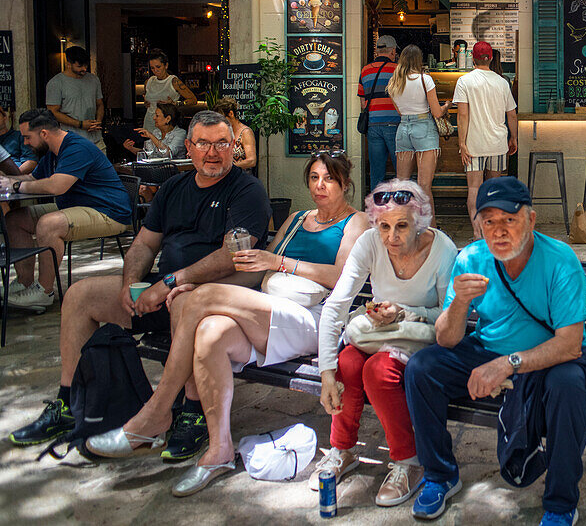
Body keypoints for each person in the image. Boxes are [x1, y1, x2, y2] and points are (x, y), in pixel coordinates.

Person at [86, 152, 367, 497]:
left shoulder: (357, 223)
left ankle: (157, 413)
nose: (320, 186)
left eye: (330, 179)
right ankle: (218, 450)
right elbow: (257, 272)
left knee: (194, 298)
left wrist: (278, 262)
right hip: (270, 307)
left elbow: (340, 277)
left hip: (314, 318)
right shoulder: (296, 218)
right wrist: (219, 291)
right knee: (210, 332)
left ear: (345, 183)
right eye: (314, 178)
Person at [6, 111, 270, 460]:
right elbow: (145, 244)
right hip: (161, 289)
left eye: (222, 143)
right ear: (188, 148)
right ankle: (69, 402)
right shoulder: (174, 187)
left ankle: (192, 413)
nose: (212, 152)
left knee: (182, 298)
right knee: (80, 294)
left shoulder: (247, 189)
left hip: (213, 296)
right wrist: (131, 284)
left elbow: (231, 255)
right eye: (203, 143)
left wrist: (171, 282)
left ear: (234, 147)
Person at [404, 177, 586, 524]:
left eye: (510, 219)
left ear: (531, 220)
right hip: (489, 350)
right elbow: (446, 339)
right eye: (489, 221)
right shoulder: (472, 258)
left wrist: (507, 365)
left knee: (569, 387)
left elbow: (569, 345)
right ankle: (440, 475)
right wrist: (460, 302)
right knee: (422, 368)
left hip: (549, 358)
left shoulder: (559, 259)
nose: (499, 230)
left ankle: (561, 503)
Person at [313, 179, 458, 506]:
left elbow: (447, 317)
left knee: (379, 370)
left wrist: (404, 312)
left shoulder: (443, 250)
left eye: (402, 226)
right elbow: (337, 305)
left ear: (420, 222)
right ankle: (343, 449)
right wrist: (325, 374)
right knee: (347, 364)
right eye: (383, 226)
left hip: (418, 337)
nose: (391, 237)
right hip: (380, 333)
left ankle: (408, 461)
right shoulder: (368, 242)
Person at [1, 109, 131, 312]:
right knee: (15, 219)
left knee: (48, 224)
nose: (25, 143)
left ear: (44, 134)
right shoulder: (52, 152)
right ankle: (25, 282)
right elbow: (33, 179)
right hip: (77, 207)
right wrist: (7, 182)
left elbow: (56, 186)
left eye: (28, 137)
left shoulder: (76, 148)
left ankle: (44, 291)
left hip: (107, 211)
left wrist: (17, 187)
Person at [454, 40, 518, 233]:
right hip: (497, 143)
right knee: (493, 188)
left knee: (474, 189)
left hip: (474, 144)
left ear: (472, 58)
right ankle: (492, 230)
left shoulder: (465, 81)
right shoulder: (502, 82)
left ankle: (477, 232)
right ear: (490, 58)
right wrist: (513, 138)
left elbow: (463, 115)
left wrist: (462, 143)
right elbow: (512, 114)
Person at [386, 46, 452, 221]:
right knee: (424, 186)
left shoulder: (394, 82)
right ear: (418, 60)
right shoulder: (425, 79)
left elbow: (401, 112)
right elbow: (437, 113)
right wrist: (446, 106)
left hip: (403, 129)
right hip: (423, 128)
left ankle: (401, 225)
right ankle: (431, 230)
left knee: (402, 184)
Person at [358, 35, 399, 192]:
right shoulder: (398, 70)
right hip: (394, 124)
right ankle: (401, 210)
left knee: (376, 173)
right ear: (393, 51)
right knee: (401, 172)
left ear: (377, 51)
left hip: (373, 125)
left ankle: (376, 211)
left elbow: (363, 103)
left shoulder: (365, 70)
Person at [45, 45, 105, 151]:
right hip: (71, 140)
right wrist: (80, 124)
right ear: (68, 64)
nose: (84, 69)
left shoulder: (93, 79)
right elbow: (53, 112)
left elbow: (99, 104)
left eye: (86, 65)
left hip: (96, 140)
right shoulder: (56, 83)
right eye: (79, 66)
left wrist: (98, 121)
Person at [141, 49, 197, 134]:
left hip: (167, 125)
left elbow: (193, 100)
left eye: (158, 67)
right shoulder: (149, 82)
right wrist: (146, 103)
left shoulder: (174, 81)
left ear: (166, 65)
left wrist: (176, 104)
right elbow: (147, 100)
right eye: (152, 68)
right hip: (149, 123)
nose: (155, 70)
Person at [213, 98, 257, 171]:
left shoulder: (245, 132)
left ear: (231, 114)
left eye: (222, 119)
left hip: (241, 178)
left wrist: (228, 168)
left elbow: (251, 161)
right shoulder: (222, 132)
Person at [0, 104, 38, 173]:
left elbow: (31, 162)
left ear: (4, 117)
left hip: (16, 176)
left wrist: (13, 176)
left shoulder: (20, 136)